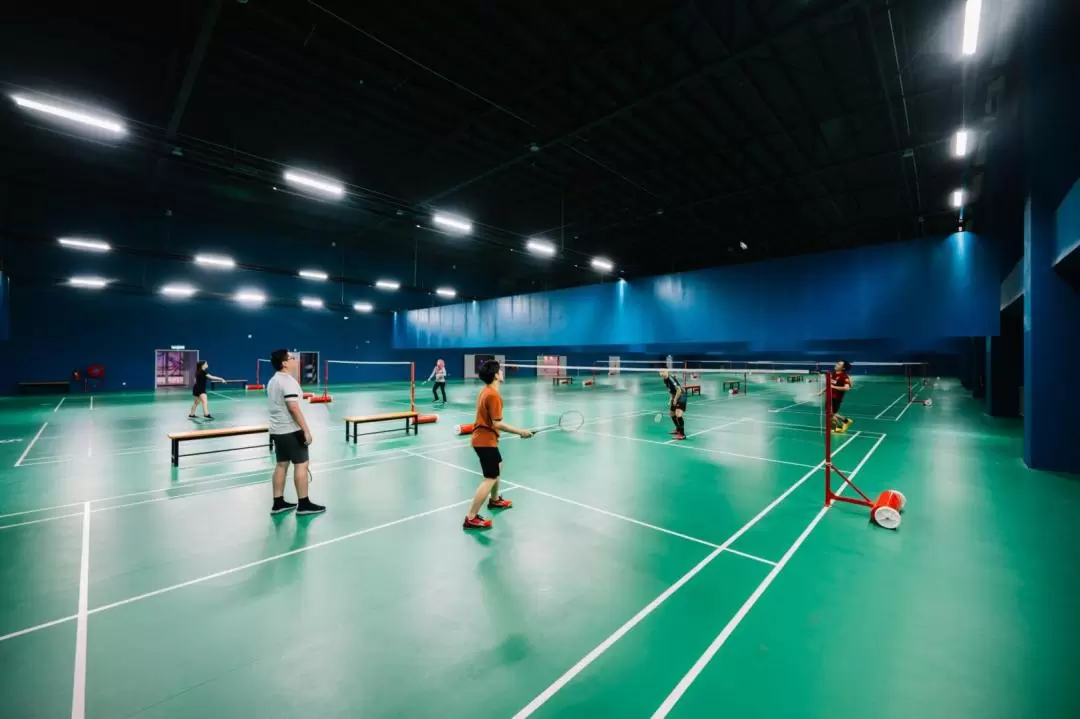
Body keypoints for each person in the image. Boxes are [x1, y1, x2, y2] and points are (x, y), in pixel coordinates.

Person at [464, 359, 531, 529]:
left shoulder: (486, 391)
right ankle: (471, 517)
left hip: (486, 439)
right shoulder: (493, 395)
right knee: (490, 477)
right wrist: (520, 431)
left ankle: (494, 501)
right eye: (500, 370)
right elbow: (497, 423)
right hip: (484, 441)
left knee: (498, 466)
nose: (502, 373)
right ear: (495, 375)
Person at [267, 349, 325, 515]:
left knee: (281, 464)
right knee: (301, 465)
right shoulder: (288, 381)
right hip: (291, 431)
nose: (295, 360)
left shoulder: (273, 381)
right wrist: (306, 430)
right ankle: (304, 504)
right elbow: (293, 407)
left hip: (277, 431)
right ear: (284, 363)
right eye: (292, 358)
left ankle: (278, 503)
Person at [821, 360, 854, 432]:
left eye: (839, 364)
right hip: (830, 396)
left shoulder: (844, 376)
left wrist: (833, 387)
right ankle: (843, 422)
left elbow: (847, 388)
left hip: (836, 398)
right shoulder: (833, 374)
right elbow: (830, 385)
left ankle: (840, 426)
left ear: (843, 368)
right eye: (837, 363)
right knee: (830, 413)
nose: (836, 365)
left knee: (830, 413)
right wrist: (822, 391)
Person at [660, 369, 687, 440]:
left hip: (681, 396)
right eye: (660, 372)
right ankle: (678, 429)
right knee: (672, 413)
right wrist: (671, 398)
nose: (662, 373)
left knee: (678, 414)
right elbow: (671, 390)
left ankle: (682, 434)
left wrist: (675, 399)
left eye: (663, 372)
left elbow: (679, 390)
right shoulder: (665, 380)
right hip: (675, 395)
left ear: (667, 372)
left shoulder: (670, 379)